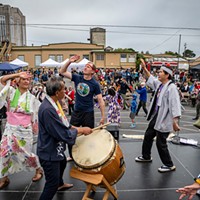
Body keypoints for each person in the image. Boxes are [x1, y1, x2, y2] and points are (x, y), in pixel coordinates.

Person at [37, 76, 92, 200]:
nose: (65, 92)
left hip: (55, 149)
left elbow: (65, 124)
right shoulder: (48, 110)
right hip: (49, 152)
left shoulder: (54, 103)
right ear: (57, 93)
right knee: (51, 185)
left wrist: (75, 128)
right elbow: (62, 134)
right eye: (63, 90)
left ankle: (60, 184)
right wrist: (81, 130)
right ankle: (56, 184)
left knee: (62, 162)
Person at [135, 60, 181, 173]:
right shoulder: (160, 84)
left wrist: (175, 122)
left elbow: (175, 106)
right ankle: (146, 156)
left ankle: (169, 164)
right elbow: (150, 78)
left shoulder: (172, 88)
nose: (158, 73)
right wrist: (145, 68)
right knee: (148, 135)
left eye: (160, 72)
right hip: (157, 116)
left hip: (166, 118)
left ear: (167, 75)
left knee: (161, 142)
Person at [0, 72, 43, 189]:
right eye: (23, 79)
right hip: (10, 128)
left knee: (26, 153)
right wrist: (17, 74)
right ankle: (4, 177)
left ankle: (38, 169)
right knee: (3, 152)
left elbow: (36, 113)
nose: (26, 81)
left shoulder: (32, 97)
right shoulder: (11, 92)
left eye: (28, 80)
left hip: (24, 130)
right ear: (17, 81)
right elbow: (2, 80)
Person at [59, 55, 105, 159]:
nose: (85, 67)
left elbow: (100, 100)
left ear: (93, 71)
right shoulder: (77, 77)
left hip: (88, 113)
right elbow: (62, 71)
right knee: (71, 133)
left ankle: (88, 155)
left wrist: (103, 117)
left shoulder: (95, 84)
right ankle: (72, 155)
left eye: (88, 66)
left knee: (89, 135)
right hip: (77, 111)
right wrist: (69, 61)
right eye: (85, 66)